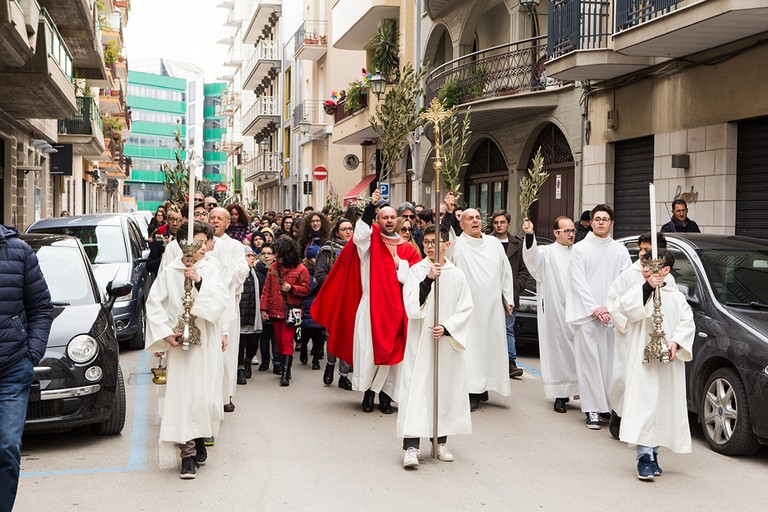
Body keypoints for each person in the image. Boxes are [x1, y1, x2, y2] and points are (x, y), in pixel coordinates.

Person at [312, 189, 422, 413]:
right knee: (369, 354)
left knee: (393, 357)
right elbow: (359, 233)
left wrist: (403, 266)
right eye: (385, 217)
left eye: (392, 217)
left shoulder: (407, 249)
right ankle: (369, 394)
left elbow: (418, 276)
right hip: (371, 306)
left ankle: (385, 396)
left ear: (397, 220)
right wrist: (370, 207)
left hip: (397, 309)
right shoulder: (370, 242)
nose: (389, 221)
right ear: (378, 220)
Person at [145, 221, 228, 479]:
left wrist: (199, 280)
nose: (202, 248)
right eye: (198, 242)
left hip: (206, 339)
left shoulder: (211, 268)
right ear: (184, 244)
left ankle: (200, 435)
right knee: (183, 395)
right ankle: (187, 454)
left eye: (205, 242)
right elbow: (154, 303)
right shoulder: (170, 271)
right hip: (181, 343)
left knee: (204, 394)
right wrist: (166, 333)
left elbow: (221, 300)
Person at [607, 248, 695, 480]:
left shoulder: (676, 297)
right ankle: (643, 457)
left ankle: (654, 452)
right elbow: (626, 308)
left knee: (663, 406)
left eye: (655, 268)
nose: (648, 271)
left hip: (669, 362)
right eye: (646, 267)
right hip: (644, 362)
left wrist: (677, 342)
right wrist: (647, 288)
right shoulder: (639, 291)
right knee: (644, 405)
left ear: (666, 270)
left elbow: (687, 323)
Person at [398, 226, 474, 469]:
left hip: (443, 342)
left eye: (435, 242)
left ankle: (439, 442)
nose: (430, 246)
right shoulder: (415, 271)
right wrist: (428, 279)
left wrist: (448, 327)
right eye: (427, 242)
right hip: (420, 342)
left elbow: (466, 308)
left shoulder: (457, 275)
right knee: (416, 389)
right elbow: (411, 305)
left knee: (443, 390)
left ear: (446, 245)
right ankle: (411, 446)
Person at [441, 194, 515, 412]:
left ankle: (484, 386)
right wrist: (449, 210)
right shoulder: (457, 245)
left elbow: (505, 272)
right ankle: (472, 390)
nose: (475, 221)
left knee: (489, 348)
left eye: (477, 218)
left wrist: (507, 298)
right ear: (461, 224)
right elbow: (446, 237)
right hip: (468, 307)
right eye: (469, 218)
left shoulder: (493, 243)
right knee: (471, 349)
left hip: (491, 308)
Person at [0, 226, 53, 510]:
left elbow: (42, 307)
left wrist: (31, 354)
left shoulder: (19, 252)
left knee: (7, 447)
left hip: (11, 369)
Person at [565, 204, 631, 429]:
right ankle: (592, 409)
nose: (601, 222)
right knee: (589, 364)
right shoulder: (580, 249)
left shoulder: (620, 251)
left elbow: (626, 281)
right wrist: (595, 308)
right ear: (591, 223)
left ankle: (608, 407)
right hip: (587, 314)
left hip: (612, 315)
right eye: (597, 219)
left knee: (611, 364)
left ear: (612, 223)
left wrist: (610, 307)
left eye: (605, 219)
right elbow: (578, 282)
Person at [605, 232, 672, 438]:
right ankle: (619, 415)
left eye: (647, 250)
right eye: (641, 249)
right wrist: (627, 318)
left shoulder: (670, 279)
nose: (641, 254)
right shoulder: (629, 274)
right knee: (623, 380)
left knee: (648, 385)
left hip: (653, 338)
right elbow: (614, 302)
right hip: (630, 336)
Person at [522, 216, 579, 413]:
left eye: (573, 230)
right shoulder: (547, 253)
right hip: (556, 310)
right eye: (567, 231)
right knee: (559, 352)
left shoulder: (579, 253)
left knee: (582, 352)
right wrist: (530, 235)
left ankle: (584, 392)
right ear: (556, 233)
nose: (571, 234)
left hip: (579, 310)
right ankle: (560, 394)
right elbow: (532, 259)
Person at [209, 207, 250, 412]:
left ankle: (226, 395)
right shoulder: (203, 244)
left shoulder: (234, 246)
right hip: (207, 305)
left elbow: (242, 271)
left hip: (227, 306)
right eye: (212, 218)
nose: (215, 221)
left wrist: (223, 267)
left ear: (227, 223)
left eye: (220, 218)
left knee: (227, 354)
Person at [260, 236, 310, 387]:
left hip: (291, 311)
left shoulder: (301, 269)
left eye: (279, 254)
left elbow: (306, 289)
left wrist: (292, 288)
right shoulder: (273, 267)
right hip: (275, 309)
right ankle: (283, 367)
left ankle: (286, 373)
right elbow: (266, 290)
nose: (277, 257)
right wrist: (263, 309)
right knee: (280, 342)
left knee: (287, 340)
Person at [490, 209, 531, 378]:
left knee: (508, 328)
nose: (499, 225)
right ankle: (492, 363)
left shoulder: (518, 243)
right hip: (490, 293)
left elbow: (524, 269)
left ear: (508, 223)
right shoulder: (487, 241)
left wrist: (517, 286)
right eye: (496, 222)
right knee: (490, 329)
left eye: (502, 222)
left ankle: (510, 363)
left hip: (510, 295)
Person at [315, 218, 354, 390]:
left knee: (348, 337)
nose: (347, 232)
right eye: (344, 229)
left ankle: (344, 376)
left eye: (350, 229)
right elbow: (320, 274)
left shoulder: (358, 248)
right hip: (334, 299)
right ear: (337, 231)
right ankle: (330, 365)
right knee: (335, 335)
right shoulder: (328, 250)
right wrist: (338, 283)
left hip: (352, 298)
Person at [237, 248, 262, 385]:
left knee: (253, 342)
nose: (252, 258)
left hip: (253, 313)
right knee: (240, 343)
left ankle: (248, 361)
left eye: (253, 255)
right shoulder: (238, 273)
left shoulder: (255, 272)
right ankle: (240, 367)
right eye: (249, 255)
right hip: (240, 313)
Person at [255, 246, 281, 374]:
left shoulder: (278, 270)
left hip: (275, 309)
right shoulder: (256, 271)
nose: (266, 256)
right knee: (264, 339)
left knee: (276, 338)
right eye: (263, 253)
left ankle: (277, 363)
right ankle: (265, 361)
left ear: (274, 255)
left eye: (269, 253)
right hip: (262, 308)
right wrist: (261, 309)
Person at [299, 245, 325, 369]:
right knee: (306, 333)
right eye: (314, 258)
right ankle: (303, 349)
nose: (316, 260)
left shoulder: (322, 270)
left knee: (318, 336)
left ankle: (316, 359)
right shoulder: (304, 271)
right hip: (307, 306)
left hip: (320, 306)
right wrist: (317, 281)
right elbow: (305, 289)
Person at [147, 208, 183, 275]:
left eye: (178, 220)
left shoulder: (187, 241)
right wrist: (162, 259)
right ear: (167, 221)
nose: (174, 223)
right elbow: (149, 266)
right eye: (172, 219)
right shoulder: (158, 241)